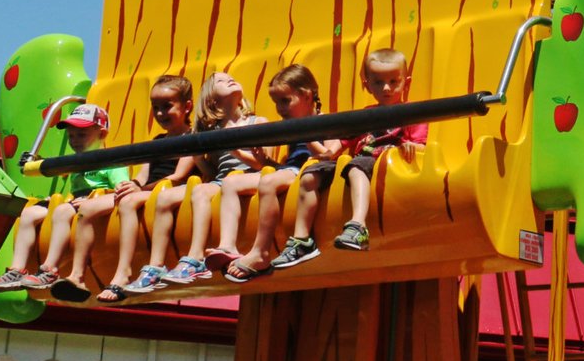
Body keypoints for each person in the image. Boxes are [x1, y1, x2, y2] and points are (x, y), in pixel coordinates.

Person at [275, 47, 426, 267]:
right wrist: (327, 154)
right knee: (313, 173)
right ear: (367, 85)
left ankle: (358, 226)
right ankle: (302, 239)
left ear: (406, 82)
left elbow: (421, 147)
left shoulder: (412, 113)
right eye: (378, 83)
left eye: (394, 81)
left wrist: (412, 146)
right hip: (356, 163)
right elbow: (341, 142)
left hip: (381, 163)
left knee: (356, 166)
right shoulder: (364, 114)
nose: (386, 88)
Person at [0, 102, 122, 294]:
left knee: (63, 211)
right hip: (74, 202)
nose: (75, 140)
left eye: (81, 134)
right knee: (29, 214)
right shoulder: (75, 163)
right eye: (71, 135)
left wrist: (92, 201)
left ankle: (50, 270)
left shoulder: (111, 160)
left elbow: (121, 189)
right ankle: (16, 270)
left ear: (102, 134)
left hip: (95, 205)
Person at [225, 64, 341, 282]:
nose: (279, 109)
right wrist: (264, 161)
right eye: (276, 102)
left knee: (268, 182)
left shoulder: (326, 121)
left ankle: (261, 252)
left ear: (307, 96)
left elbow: (330, 154)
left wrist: (305, 134)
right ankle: (227, 246)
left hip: (310, 171)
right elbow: (287, 165)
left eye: (285, 101)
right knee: (231, 184)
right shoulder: (292, 126)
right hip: (291, 170)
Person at [102, 74, 198, 301]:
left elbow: (179, 175)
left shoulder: (192, 136)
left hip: (172, 189)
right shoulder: (155, 141)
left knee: (129, 202)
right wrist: (131, 184)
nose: (161, 113)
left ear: (187, 107)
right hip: (148, 191)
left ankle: (123, 271)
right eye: (156, 108)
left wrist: (140, 191)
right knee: (96, 205)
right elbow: (142, 176)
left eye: (167, 106)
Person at [172, 71, 266, 279]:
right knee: (200, 191)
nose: (230, 79)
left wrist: (236, 150)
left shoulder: (256, 122)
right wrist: (198, 159)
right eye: (221, 81)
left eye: (231, 77)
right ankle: (195, 256)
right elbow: (215, 171)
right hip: (224, 180)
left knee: (230, 182)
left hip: (251, 174)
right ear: (212, 100)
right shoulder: (215, 130)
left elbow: (261, 163)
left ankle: (227, 245)